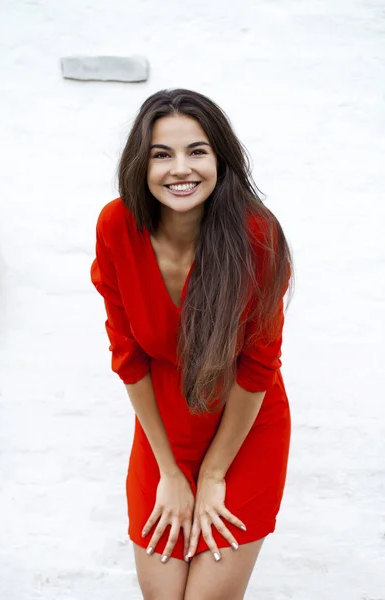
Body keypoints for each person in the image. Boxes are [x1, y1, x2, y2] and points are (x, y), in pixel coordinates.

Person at [90, 88, 293, 600]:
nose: (181, 169)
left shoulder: (257, 236)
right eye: (162, 154)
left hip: (244, 430)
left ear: (220, 158)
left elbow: (257, 368)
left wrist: (214, 473)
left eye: (197, 151)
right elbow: (128, 356)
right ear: (142, 164)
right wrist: (171, 471)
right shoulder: (116, 226)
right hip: (162, 428)